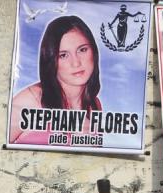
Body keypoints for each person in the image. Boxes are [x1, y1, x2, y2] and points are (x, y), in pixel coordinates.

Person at [9, 16, 102, 144]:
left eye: (82, 50)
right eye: (63, 55)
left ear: (94, 51)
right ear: (51, 59)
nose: (76, 63)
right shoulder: (29, 101)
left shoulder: (94, 105)